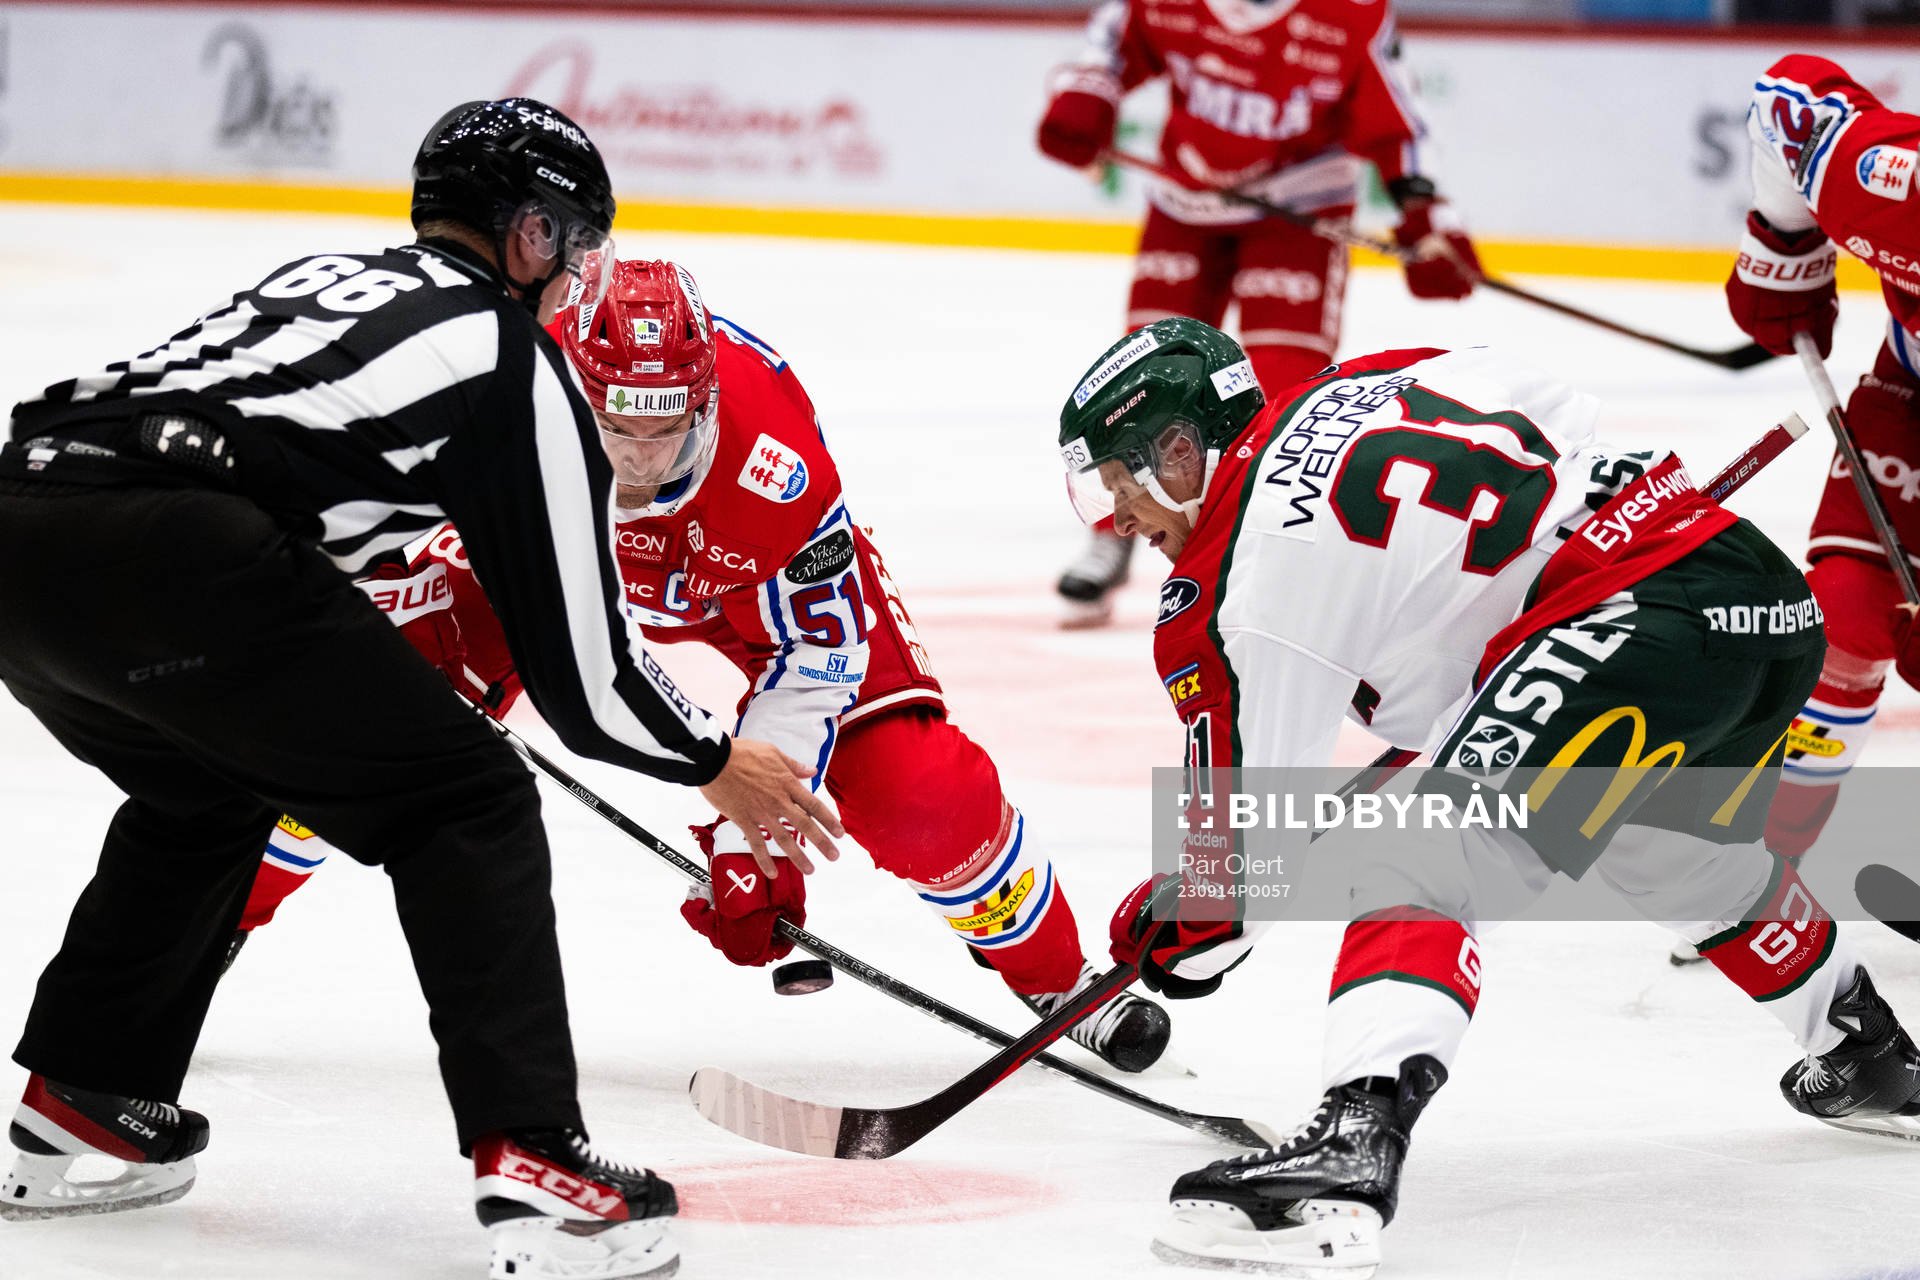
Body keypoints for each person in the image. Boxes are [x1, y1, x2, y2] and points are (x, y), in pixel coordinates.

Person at [0, 99, 842, 1280]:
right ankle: (536, 1157)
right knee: (471, 801)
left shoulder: (330, 272)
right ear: (535, 234)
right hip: (178, 544)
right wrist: (717, 762)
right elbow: (588, 678)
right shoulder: (512, 359)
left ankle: (84, 1092)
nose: (573, 281)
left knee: (206, 789)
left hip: (24, 523)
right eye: (576, 246)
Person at [1054, 319, 1920, 1273]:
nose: (1119, 520)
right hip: (1754, 599)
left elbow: (1239, 882)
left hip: (1631, 624)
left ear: (1180, 451)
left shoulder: (1239, 580)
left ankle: (1351, 1152)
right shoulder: (1379, 371)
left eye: (1121, 485)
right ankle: (1867, 1048)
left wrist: (1179, 923)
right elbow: (1551, 416)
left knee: (1413, 853)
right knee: (1670, 854)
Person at [235, 258, 1174, 1072]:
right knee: (365, 721)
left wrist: (747, 837)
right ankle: (213, 917)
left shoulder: (772, 459)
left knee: (918, 791)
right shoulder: (504, 398)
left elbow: (816, 650)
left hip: (744, 591)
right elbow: (386, 528)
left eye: (667, 430)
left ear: (709, 399)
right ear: (573, 391)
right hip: (550, 566)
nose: (641, 461)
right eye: (618, 430)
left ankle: (1059, 981)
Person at [1035, 0, 1481, 625]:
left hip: (1298, 211)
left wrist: (1424, 212)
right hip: (1184, 203)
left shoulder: (1351, 13)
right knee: (1134, 388)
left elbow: (1397, 116)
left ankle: (1261, 559)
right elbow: (1108, 47)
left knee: (1278, 397)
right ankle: (1114, 535)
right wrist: (1086, 96)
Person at [1724, 54, 1920, 861]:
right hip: (1911, 400)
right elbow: (1788, 98)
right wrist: (1785, 241)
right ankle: (1757, 871)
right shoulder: (1893, 183)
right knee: (1844, 610)